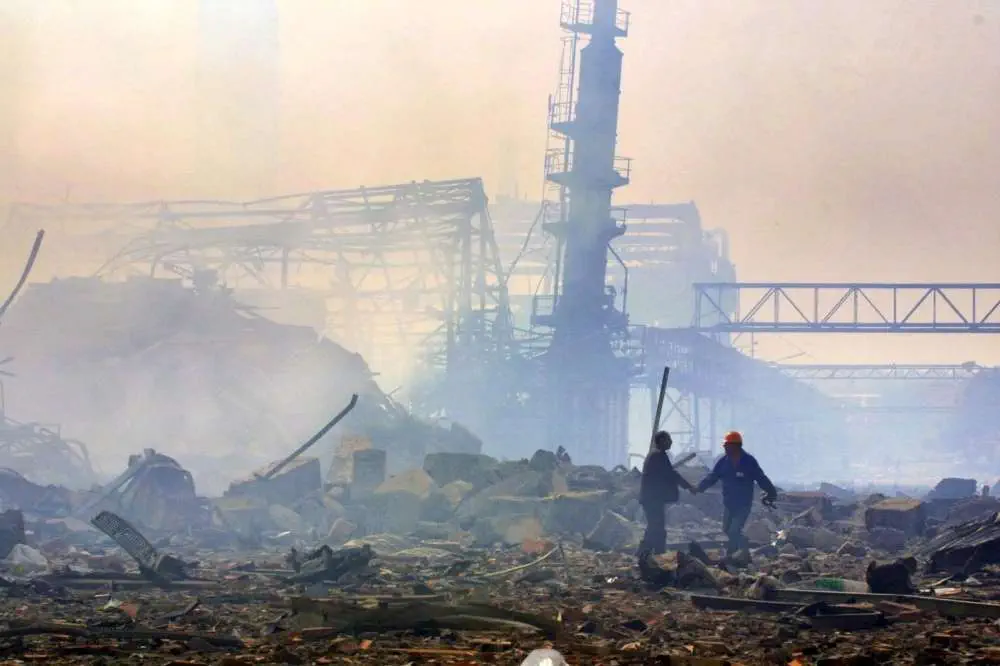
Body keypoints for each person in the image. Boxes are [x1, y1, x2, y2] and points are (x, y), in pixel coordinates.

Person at [696, 431, 777, 560]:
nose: (725, 448)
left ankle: (735, 554)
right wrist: (699, 488)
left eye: (727, 445)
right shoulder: (723, 462)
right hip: (729, 503)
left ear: (736, 446)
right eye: (725, 446)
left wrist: (771, 492)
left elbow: (761, 478)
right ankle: (738, 549)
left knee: (734, 530)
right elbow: (712, 477)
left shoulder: (748, 461)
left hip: (743, 504)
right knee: (727, 530)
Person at [638, 431, 696, 555]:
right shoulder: (658, 456)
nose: (671, 442)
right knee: (657, 528)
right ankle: (657, 553)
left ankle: (645, 553)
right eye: (668, 439)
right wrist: (689, 487)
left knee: (654, 527)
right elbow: (671, 474)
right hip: (652, 499)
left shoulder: (657, 455)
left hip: (652, 498)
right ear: (662, 441)